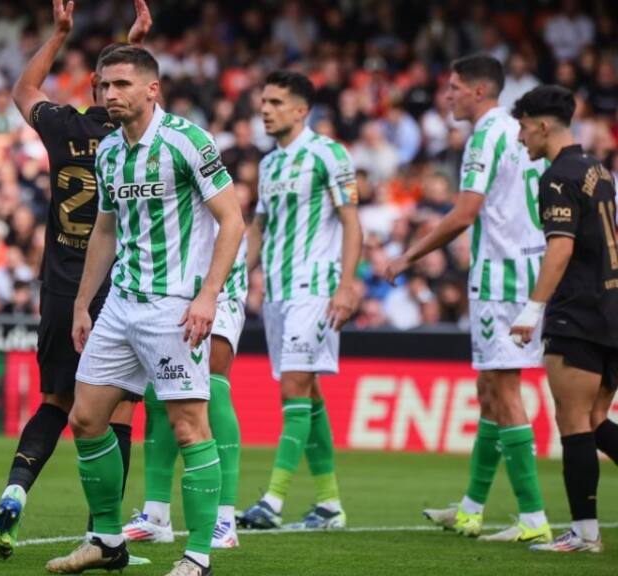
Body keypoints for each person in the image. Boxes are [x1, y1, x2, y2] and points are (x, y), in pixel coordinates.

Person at [44, 46, 245, 576]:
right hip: (120, 307)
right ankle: (108, 541)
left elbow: (232, 220)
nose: (110, 94)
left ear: (152, 89)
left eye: (122, 85)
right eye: (105, 85)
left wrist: (209, 295)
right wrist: (85, 303)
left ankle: (198, 555)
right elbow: (105, 230)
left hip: (173, 308)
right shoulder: (108, 152)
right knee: (87, 419)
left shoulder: (187, 141)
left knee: (187, 428)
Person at [0, 0, 152, 559]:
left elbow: (21, 91)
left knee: (57, 400)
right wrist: (138, 46)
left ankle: (16, 488)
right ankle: (103, 535)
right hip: (117, 288)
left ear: (92, 87)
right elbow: (155, 104)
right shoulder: (132, 139)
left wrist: (58, 35)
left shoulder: (62, 127)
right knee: (119, 410)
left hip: (60, 287)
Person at [385, 54, 552, 543]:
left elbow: (464, 214)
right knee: (488, 393)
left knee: (504, 392)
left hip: (500, 277)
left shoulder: (485, 135)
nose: (448, 95)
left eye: (455, 87)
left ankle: (534, 518)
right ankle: (472, 509)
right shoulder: (520, 134)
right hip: (524, 267)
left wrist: (407, 256)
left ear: (480, 92)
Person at [237, 70, 362, 531]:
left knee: (294, 385)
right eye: (262, 101)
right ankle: (329, 505)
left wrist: (347, 284)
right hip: (278, 291)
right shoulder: (269, 165)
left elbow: (351, 222)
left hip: (317, 288)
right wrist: (232, 276)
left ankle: (271, 502)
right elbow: (259, 229)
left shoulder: (329, 154)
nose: (265, 109)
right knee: (306, 392)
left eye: (274, 102)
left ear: (300, 110)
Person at [511, 85, 618, 553]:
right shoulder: (599, 170)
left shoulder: (557, 177)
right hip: (612, 309)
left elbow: (561, 247)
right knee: (596, 419)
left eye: (522, 127)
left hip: (578, 313)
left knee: (573, 422)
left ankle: (584, 533)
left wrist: (532, 309)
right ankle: (585, 531)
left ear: (542, 125)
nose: (519, 138)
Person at [122, 234, 246, 549]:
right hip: (171, 280)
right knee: (160, 385)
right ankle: (157, 515)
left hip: (217, 278)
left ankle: (224, 518)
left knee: (213, 374)